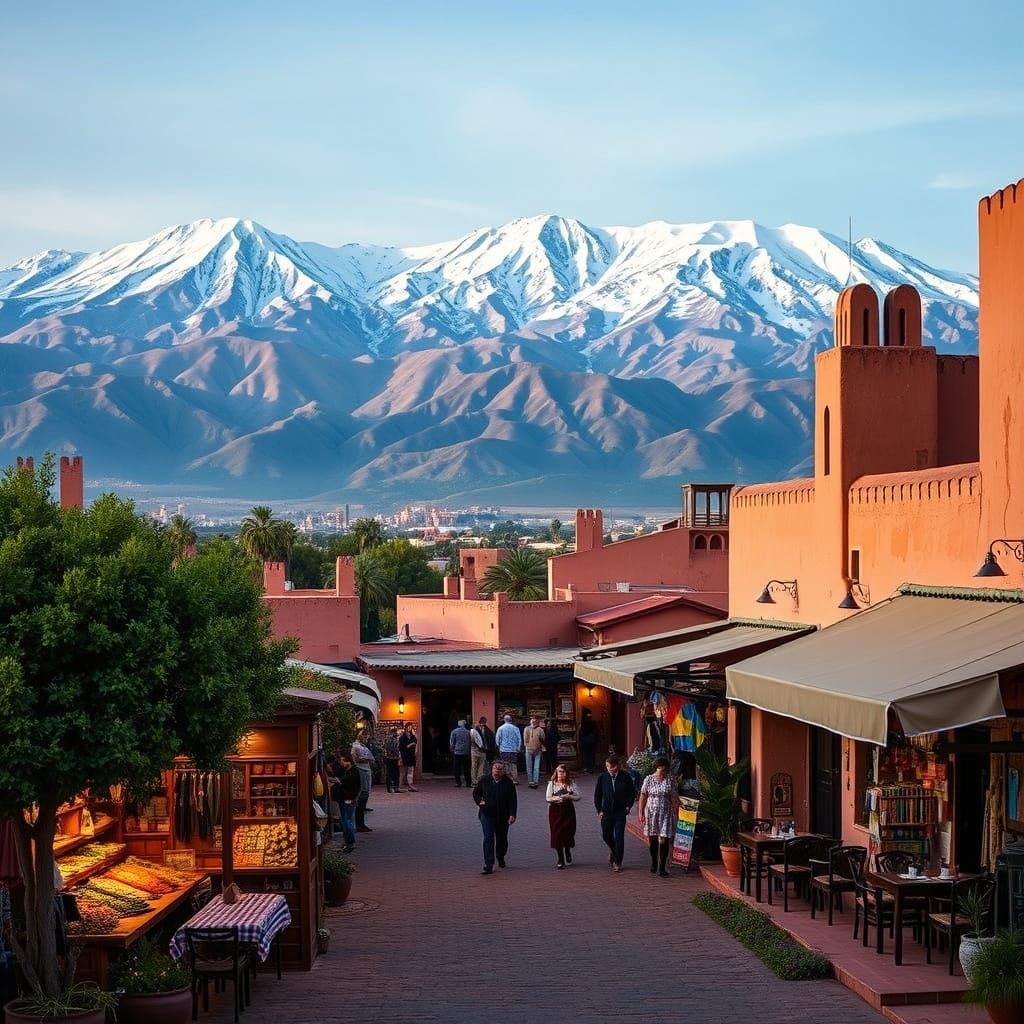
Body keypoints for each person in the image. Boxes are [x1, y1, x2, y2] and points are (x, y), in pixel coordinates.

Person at [472, 759, 517, 874]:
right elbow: (476, 793)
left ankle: (500, 856)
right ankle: (489, 863)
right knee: (488, 837)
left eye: (500, 769)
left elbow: (513, 800)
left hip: (503, 815)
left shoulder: (508, 783)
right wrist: (479, 801)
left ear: (503, 771)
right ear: (491, 769)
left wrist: (512, 814)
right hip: (487, 813)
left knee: (502, 839)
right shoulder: (484, 780)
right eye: (495, 768)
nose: (497, 771)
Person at [593, 755, 636, 872]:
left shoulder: (625, 777)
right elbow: (597, 795)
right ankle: (614, 849)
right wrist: (599, 810)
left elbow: (632, 793)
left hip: (620, 812)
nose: (609, 769)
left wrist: (628, 806)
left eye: (611, 767)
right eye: (607, 766)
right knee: (606, 835)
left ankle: (618, 861)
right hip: (606, 812)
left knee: (619, 836)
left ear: (616, 766)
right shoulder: (602, 777)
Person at [639, 756, 678, 877]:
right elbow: (643, 796)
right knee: (653, 838)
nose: (664, 772)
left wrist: (678, 809)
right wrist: (640, 813)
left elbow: (673, 796)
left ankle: (662, 867)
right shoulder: (648, 780)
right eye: (662, 770)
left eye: (666, 770)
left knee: (664, 838)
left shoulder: (669, 780)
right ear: (656, 768)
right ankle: (654, 862)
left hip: (666, 812)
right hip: (651, 812)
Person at [546, 764, 581, 869]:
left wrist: (569, 796)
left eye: (563, 772)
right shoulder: (552, 784)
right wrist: (558, 798)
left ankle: (567, 850)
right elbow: (548, 798)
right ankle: (560, 858)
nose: (561, 774)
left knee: (568, 832)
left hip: (568, 810)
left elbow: (578, 796)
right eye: (559, 772)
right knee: (557, 834)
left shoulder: (571, 784)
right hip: (555, 811)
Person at [331, 752, 361, 852]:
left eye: (343, 761)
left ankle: (350, 842)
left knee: (347, 820)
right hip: (346, 797)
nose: (341, 763)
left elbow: (351, 784)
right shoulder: (349, 770)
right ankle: (348, 841)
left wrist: (339, 782)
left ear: (348, 761)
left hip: (348, 798)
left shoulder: (353, 771)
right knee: (346, 819)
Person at [351, 730, 375, 832]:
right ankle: (359, 824)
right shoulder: (356, 746)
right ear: (362, 736)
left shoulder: (361, 746)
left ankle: (360, 823)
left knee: (364, 797)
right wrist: (367, 759)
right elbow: (355, 759)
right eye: (366, 737)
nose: (367, 739)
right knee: (362, 798)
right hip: (362, 771)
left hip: (365, 770)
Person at [495, 714, 522, 784]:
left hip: (504, 750)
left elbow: (497, 740)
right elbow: (519, 739)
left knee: (505, 764)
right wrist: (518, 748)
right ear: (511, 720)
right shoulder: (516, 728)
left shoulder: (501, 728)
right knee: (513, 765)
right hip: (513, 750)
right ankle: (515, 780)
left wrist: (499, 747)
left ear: (504, 720)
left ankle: (508, 779)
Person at [523, 716, 546, 789]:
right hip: (530, 749)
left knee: (535, 766)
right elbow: (525, 740)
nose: (533, 722)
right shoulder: (527, 729)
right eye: (532, 721)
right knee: (531, 766)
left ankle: (534, 781)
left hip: (536, 749)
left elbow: (543, 738)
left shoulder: (540, 729)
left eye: (534, 721)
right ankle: (531, 781)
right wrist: (528, 746)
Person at [470, 716, 494, 784]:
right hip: (482, 751)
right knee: (480, 766)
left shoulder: (473, 731)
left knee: (475, 766)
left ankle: (475, 780)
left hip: (476, 751)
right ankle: (478, 780)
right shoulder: (488, 731)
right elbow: (490, 741)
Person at [449, 719, 472, 787]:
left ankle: (458, 782)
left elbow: (452, 742)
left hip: (457, 752)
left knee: (457, 769)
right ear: (464, 724)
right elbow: (470, 742)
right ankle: (468, 783)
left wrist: (452, 749)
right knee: (467, 769)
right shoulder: (468, 732)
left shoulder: (454, 731)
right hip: (466, 752)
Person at [399, 722, 418, 792]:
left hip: (411, 756)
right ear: (406, 728)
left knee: (410, 771)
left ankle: (410, 785)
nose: (410, 728)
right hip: (405, 756)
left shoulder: (413, 736)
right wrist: (410, 745)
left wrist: (412, 745)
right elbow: (402, 747)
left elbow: (415, 742)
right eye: (408, 727)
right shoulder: (402, 737)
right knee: (403, 772)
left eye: (411, 727)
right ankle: (399, 785)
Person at [384, 726, 402, 794]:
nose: (396, 732)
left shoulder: (396, 738)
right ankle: (390, 787)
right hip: (390, 758)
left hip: (395, 758)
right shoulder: (389, 738)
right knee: (390, 773)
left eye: (396, 731)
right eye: (394, 731)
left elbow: (398, 748)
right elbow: (390, 748)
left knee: (396, 773)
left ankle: (396, 787)